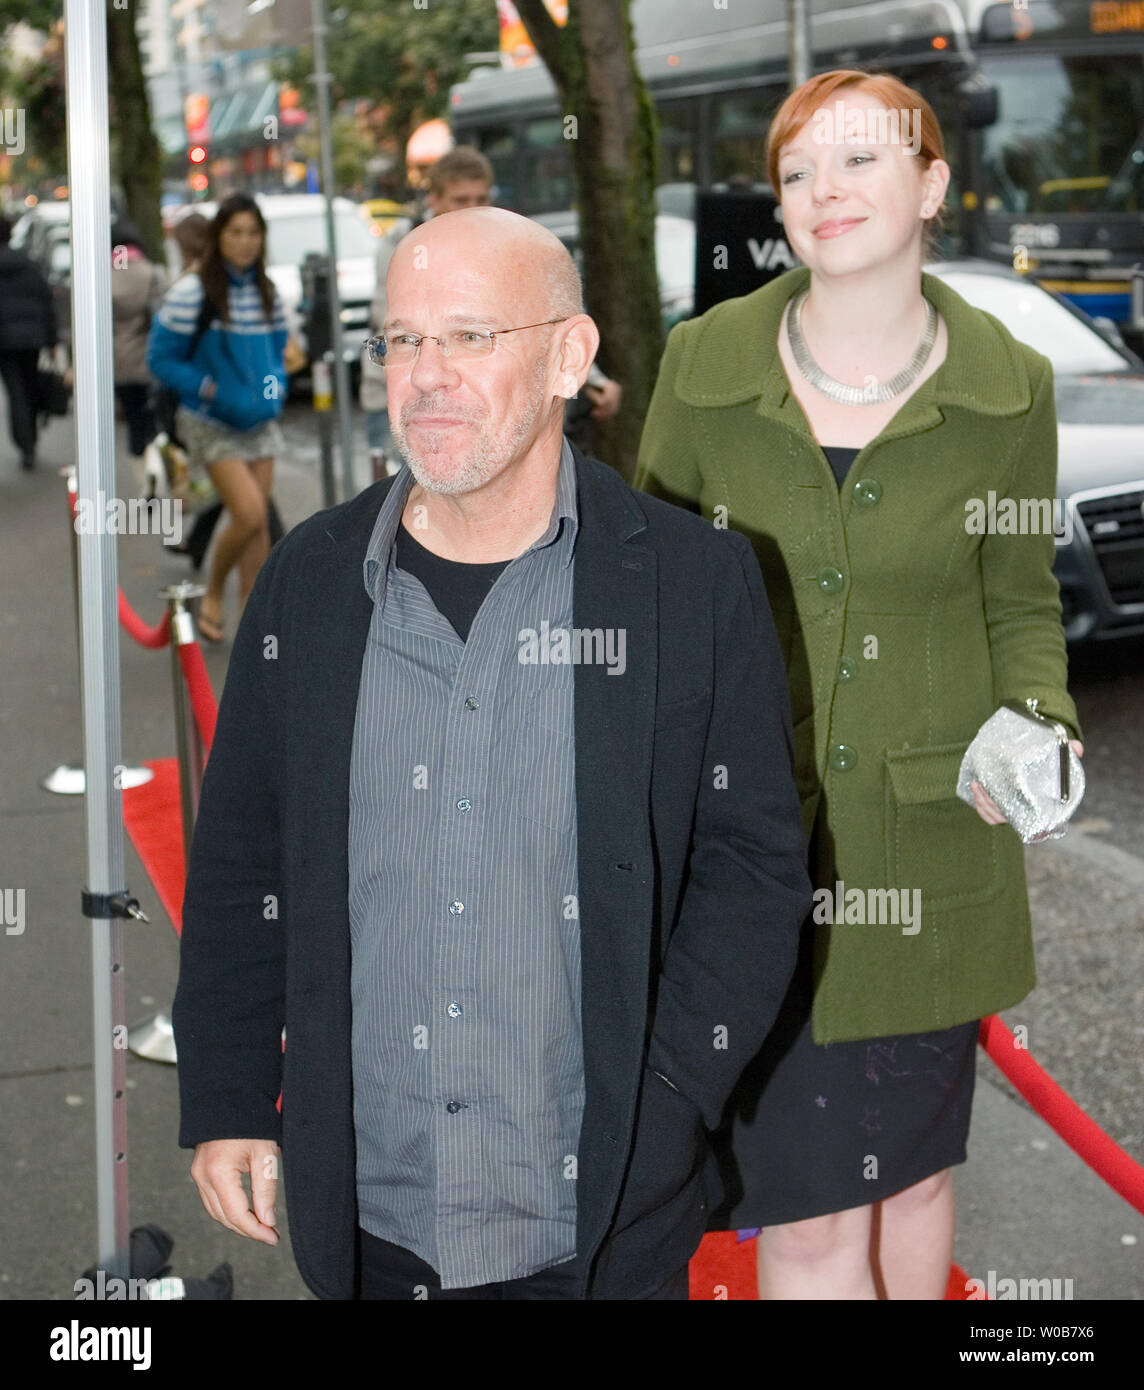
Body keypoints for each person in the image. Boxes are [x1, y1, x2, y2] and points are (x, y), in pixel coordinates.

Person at [171, 205, 812, 1301]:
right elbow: (243, 860)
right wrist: (230, 1093)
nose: (425, 376)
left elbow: (752, 868)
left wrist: (669, 1094)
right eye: (402, 339)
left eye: (469, 336)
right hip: (368, 1210)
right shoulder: (312, 583)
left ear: (570, 355)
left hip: (601, 1215)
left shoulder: (694, 585)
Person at [635, 68, 1084, 1300]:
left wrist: (1039, 725)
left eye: (857, 160)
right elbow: (649, 592)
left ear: (932, 181)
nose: (821, 191)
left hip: (935, 860)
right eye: (796, 171)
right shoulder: (704, 363)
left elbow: (1019, 601)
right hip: (751, 865)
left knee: (919, 1189)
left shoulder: (1009, 387)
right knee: (815, 1221)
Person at [359, 145, 620, 475]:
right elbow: (395, 327)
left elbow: (547, 319)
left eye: (481, 199)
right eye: (461, 200)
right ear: (434, 200)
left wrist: (591, 378)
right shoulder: (406, 246)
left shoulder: (503, 245)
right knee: (403, 501)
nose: (473, 209)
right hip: (398, 393)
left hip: (468, 394)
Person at [147, 194, 288, 643]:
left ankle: (252, 618)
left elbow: (280, 350)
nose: (245, 243)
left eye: (253, 233)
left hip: (260, 423)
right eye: (235, 232)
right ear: (218, 237)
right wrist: (210, 388)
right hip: (209, 422)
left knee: (260, 523)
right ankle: (212, 591)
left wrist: (274, 388)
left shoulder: (267, 290)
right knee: (247, 514)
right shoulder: (194, 291)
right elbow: (160, 359)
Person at [109, 219, 168, 498]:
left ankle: (143, 483)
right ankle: (156, 476)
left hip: (118, 364)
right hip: (149, 360)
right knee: (152, 420)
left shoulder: (103, 275)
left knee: (133, 421)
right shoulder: (154, 274)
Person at [0, 212, 59, 471]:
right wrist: (53, 339)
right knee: (29, 385)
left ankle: (26, 445)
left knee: (15, 392)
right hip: (32, 339)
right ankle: (30, 439)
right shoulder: (27, 263)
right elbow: (46, 300)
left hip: (4, 341)